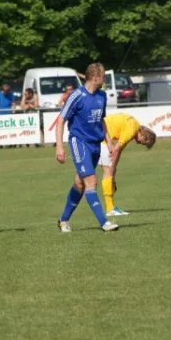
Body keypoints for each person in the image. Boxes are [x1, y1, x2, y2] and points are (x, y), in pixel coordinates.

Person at [55, 63, 119, 232]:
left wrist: (109, 142)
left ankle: (63, 220)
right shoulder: (76, 96)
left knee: (80, 183)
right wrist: (60, 147)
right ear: (95, 77)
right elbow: (61, 120)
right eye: (104, 76)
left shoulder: (102, 96)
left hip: (95, 145)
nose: (105, 79)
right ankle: (104, 222)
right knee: (91, 181)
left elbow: (101, 120)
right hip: (79, 142)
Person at [99, 113, 156, 216]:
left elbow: (119, 150)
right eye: (143, 142)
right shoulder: (131, 131)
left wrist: (114, 172)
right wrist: (112, 175)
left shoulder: (134, 126)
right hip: (101, 137)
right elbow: (115, 150)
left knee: (105, 171)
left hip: (100, 133)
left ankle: (111, 208)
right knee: (107, 171)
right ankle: (110, 209)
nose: (139, 144)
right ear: (143, 135)